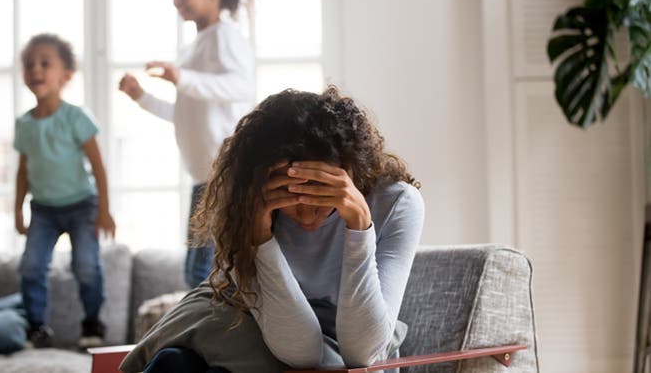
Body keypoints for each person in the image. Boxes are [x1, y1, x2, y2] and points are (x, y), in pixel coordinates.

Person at [120, 87, 425, 373]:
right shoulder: (246, 201)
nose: (306, 215)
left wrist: (359, 227)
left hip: (338, 335)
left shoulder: (396, 203)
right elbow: (300, 350)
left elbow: (364, 353)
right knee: (173, 363)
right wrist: (260, 238)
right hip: (248, 316)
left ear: (351, 171)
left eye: (320, 195)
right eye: (290, 198)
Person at [118, 0, 255, 288]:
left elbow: (241, 87)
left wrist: (182, 77)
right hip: (204, 176)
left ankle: (208, 330)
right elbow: (184, 114)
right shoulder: (194, 48)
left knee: (204, 271)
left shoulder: (225, 35)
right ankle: (204, 329)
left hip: (226, 173)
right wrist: (141, 97)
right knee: (196, 271)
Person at [14, 33, 116, 349]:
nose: (36, 70)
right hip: (43, 209)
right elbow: (22, 171)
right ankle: (36, 328)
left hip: (82, 205)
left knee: (86, 265)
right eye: (30, 64)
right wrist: (18, 209)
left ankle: (92, 324)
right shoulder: (24, 125)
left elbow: (98, 166)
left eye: (45, 63)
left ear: (66, 76)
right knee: (31, 266)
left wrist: (104, 210)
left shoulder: (76, 117)